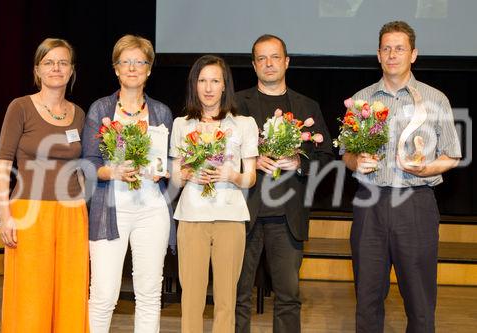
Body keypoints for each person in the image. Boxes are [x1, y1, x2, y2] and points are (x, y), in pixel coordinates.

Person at [342, 21, 461, 332]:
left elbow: (452, 155)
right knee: (367, 298)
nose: (392, 54)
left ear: (414, 54)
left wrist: (428, 168)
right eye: (386, 48)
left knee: (420, 301)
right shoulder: (360, 100)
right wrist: (357, 161)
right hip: (370, 205)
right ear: (378, 55)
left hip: (416, 204)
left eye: (399, 48)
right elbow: (345, 154)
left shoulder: (436, 100)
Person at [235, 34, 334, 333]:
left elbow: (327, 156)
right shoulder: (236, 104)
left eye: (275, 57)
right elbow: (220, 152)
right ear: (254, 65)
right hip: (243, 214)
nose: (269, 63)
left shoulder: (307, 106)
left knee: (289, 298)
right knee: (237, 295)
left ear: (286, 61)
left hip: (287, 217)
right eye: (262, 58)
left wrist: (299, 164)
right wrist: (248, 161)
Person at [81, 35, 174, 333]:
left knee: (149, 294)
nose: (132, 68)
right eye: (126, 62)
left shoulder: (162, 112)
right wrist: (114, 171)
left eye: (140, 62)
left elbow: (169, 160)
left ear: (149, 69)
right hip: (110, 210)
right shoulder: (100, 109)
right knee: (104, 295)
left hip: (152, 211)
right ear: (116, 69)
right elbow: (89, 164)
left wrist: (165, 170)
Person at [0, 38, 89, 332]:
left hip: (72, 215)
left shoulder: (79, 114)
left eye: (63, 62)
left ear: (72, 70)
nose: (56, 68)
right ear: (37, 70)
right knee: (30, 296)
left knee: (70, 293)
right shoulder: (20, 107)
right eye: (49, 62)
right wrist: (4, 216)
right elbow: (3, 164)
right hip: (28, 213)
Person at [169, 55, 258, 333]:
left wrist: (231, 176)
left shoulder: (244, 124)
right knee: (191, 298)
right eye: (202, 80)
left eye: (215, 81)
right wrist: (187, 174)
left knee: (225, 300)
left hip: (230, 218)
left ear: (224, 86)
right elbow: (173, 177)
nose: (208, 87)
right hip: (191, 217)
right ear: (194, 85)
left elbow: (250, 178)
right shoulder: (182, 124)